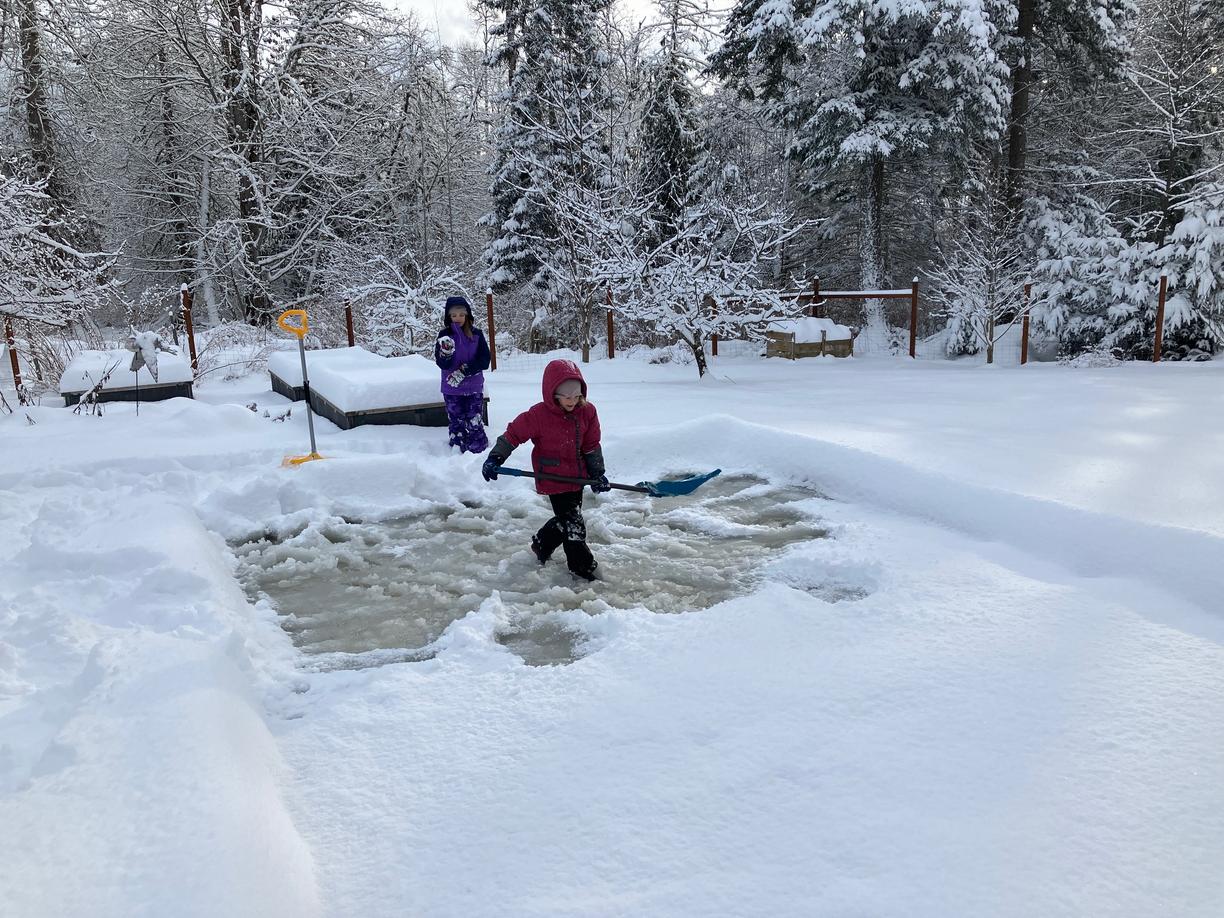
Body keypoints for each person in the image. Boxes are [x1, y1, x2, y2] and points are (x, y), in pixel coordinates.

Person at [481, 359, 611, 581]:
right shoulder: (538, 415)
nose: (572, 401)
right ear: (553, 394)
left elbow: (591, 445)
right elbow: (513, 434)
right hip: (553, 477)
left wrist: (597, 474)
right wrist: (496, 457)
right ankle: (582, 567)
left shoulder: (587, 412)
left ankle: (541, 544)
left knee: (567, 518)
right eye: (566, 396)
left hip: (577, 478)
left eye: (576, 396)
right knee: (573, 523)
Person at [435, 295, 490, 454]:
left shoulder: (477, 335)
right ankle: (457, 450)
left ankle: (478, 450)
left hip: (473, 387)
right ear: (448, 317)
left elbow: (485, 360)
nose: (457, 318)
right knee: (456, 421)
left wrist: (465, 370)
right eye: (453, 315)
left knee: (474, 420)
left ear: (467, 315)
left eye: (461, 314)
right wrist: (445, 354)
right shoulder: (444, 336)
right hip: (452, 389)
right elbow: (441, 363)